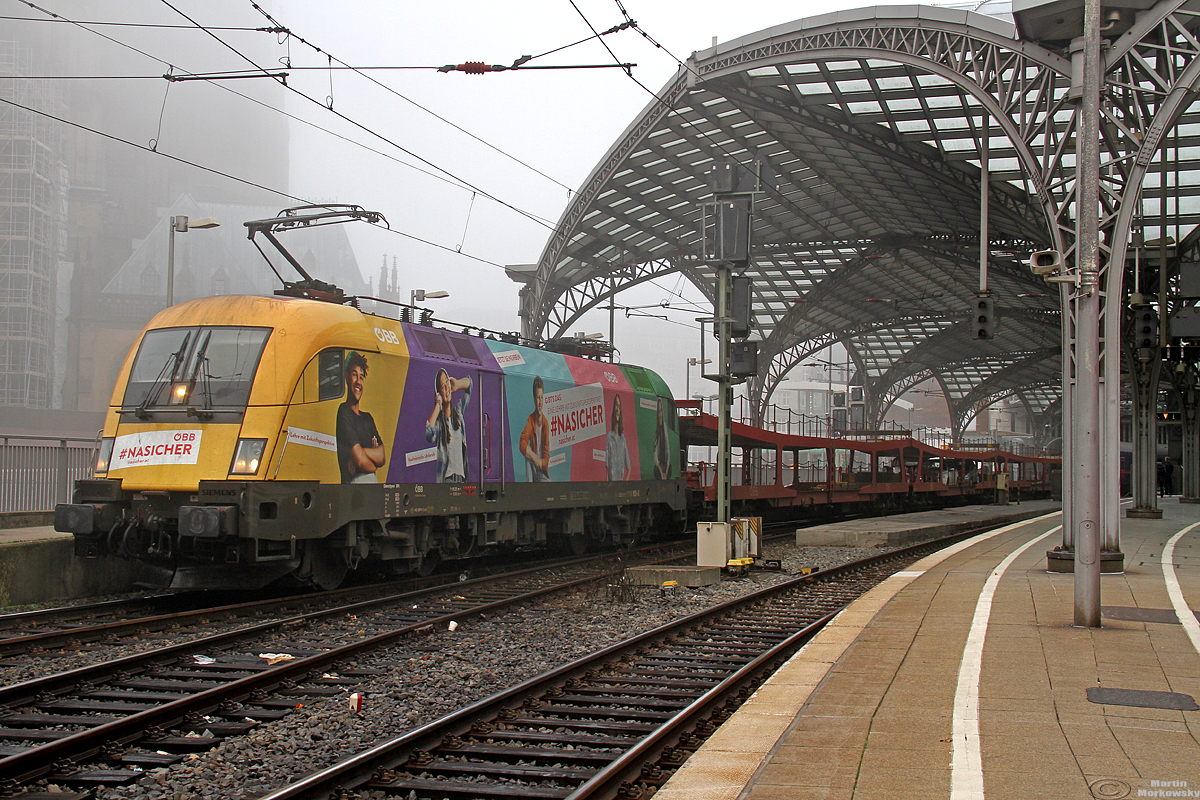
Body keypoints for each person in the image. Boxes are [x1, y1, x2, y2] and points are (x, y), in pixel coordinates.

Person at [335, 351, 386, 483]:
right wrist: (372, 462)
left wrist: (360, 452)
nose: (358, 381)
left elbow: (382, 456)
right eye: (354, 375)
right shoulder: (344, 413)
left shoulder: (367, 418)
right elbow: (364, 464)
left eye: (361, 377)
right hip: (353, 489)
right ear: (346, 377)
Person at [426, 368, 471, 483]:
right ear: (438, 393)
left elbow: (470, 386)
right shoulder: (440, 424)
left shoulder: (459, 413)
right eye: (442, 386)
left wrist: (457, 384)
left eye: (447, 382)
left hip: (462, 479)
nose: (446, 387)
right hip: (448, 480)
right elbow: (429, 435)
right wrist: (438, 405)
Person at [519, 376, 550, 482]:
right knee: (528, 456)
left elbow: (546, 455)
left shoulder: (545, 424)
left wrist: (540, 462)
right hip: (532, 467)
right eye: (538, 398)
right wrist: (534, 457)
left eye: (542, 398)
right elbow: (522, 443)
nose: (540, 402)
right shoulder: (531, 420)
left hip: (541, 470)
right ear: (533, 399)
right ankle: (529, 487)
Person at [605, 394, 630, 480]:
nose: (617, 409)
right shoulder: (609, 436)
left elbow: (628, 465)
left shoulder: (623, 439)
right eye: (616, 405)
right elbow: (607, 464)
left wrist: (625, 482)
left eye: (619, 407)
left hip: (620, 482)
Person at [653, 398, 672, 480]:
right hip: (659, 468)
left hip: (665, 466)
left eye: (661, 411)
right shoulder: (656, 429)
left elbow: (667, 447)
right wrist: (661, 473)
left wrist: (666, 472)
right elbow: (655, 454)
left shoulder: (664, 427)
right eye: (658, 412)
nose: (660, 414)